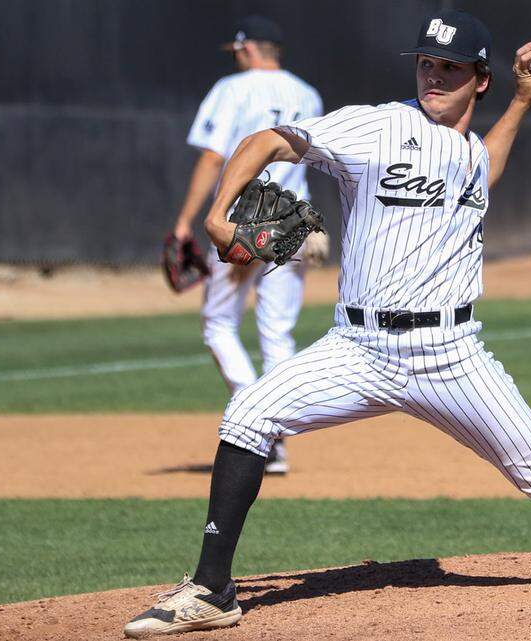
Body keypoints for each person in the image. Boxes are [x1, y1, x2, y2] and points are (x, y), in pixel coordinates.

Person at [124, 10, 531, 638]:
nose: (433, 77)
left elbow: (486, 169)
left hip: (451, 353)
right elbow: (266, 140)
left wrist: (522, 102)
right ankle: (213, 590)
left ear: (479, 79)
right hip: (358, 346)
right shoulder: (375, 127)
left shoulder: (467, 155)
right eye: (426, 64)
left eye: (451, 68)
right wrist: (220, 214)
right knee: (247, 416)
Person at [171, 15, 326, 475]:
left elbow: (214, 156)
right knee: (277, 332)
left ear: (247, 49)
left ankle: (256, 424)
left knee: (219, 322)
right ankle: (275, 434)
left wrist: (185, 222)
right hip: (294, 217)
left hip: (245, 217)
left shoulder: (232, 90)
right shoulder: (308, 94)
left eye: (237, 51)